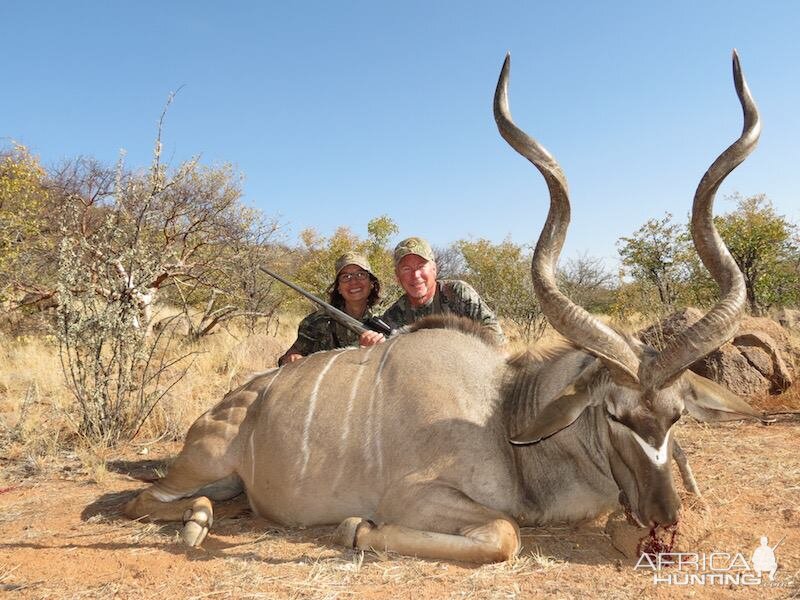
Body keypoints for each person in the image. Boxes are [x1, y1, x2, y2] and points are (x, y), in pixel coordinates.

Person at [360, 237, 504, 346]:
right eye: (406, 269)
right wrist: (371, 347)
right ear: (397, 277)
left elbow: (496, 336)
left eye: (421, 266)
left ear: (434, 269)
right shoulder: (394, 316)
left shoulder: (458, 292)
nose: (415, 275)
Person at [278, 252, 381, 365]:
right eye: (345, 277)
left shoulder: (385, 322)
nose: (353, 281)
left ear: (371, 283)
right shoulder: (317, 321)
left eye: (360, 274)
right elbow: (288, 358)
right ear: (338, 288)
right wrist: (292, 358)